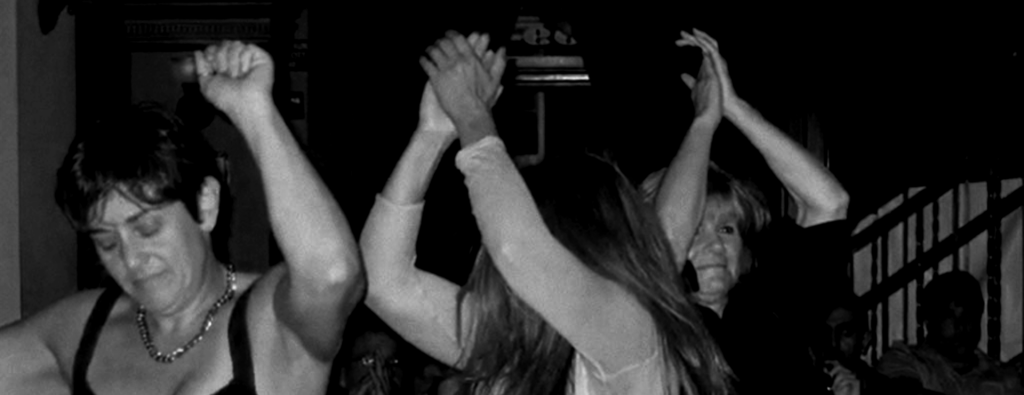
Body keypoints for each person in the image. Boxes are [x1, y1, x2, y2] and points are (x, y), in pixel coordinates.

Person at [361, 31, 732, 395]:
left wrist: (473, 119)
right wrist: (433, 133)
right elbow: (381, 280)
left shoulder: (632, 330)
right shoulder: (518, 340)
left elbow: (517, 248)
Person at [0, 41, 363, 394]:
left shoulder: (267, 323)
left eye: (147, 228)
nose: (130, 259)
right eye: (106, 242)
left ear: (205, 205)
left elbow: (333, 275)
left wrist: (253, 110)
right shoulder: (86, 327)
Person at [643, 29, 851, 394]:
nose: (714, 246)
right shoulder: (646, 322)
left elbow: (828, 202)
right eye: (695, 230)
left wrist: (734, 108)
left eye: (726, 229)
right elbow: (662, 243)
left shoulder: (769, 312)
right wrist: (703, 122)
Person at [877, 271, 1022, 395]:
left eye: (970, 316)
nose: (962, 327)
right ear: (929, 319)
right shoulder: (903, 362)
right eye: (950, 316)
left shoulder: (1003, 377)